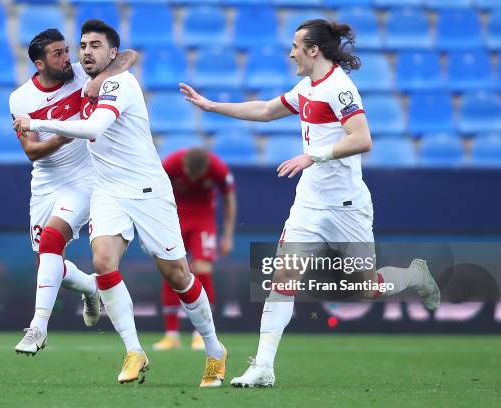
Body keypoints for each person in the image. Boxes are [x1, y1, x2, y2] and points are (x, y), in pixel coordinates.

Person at [179, 19, 440, 388]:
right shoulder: (307, 86)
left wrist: (313, 156)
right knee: (283, 276)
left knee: (364, 288)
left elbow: (362, 138)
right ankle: (263, 367)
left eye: (296, 47)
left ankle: (415, 275)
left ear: (313, 50)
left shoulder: (340, 89)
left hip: (347, 206)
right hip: (309, 204)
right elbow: (267, 110)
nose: (291, 53)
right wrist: (211, 106)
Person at [13, 20, 227, 388]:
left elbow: (94, 127)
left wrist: (39, 120)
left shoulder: (121, 84)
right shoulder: (82, 80)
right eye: (82, 46)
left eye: (95, 46)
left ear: (111, 53)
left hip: (147, 191)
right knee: (102, 262)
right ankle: (133, 350)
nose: (84, 52)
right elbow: (116, 59)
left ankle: (213, 349)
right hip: (106, 191)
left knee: (177, 274)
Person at [9, 28, 136, 356]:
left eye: (68, 50)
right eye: (58, 53)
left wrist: (97, 80)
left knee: (52, 240)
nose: (69, 58)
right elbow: (32, 152)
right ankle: (92, 287)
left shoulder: (82, 72)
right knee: (48, 262)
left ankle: (38, 327)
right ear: (40, 64)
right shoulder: (21, 99)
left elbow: (129, 56)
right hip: (45, 183)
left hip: (85, 178)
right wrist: (63, 135)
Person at [153, 148, 236, 351]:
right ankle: (171, 334)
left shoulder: (217, 167)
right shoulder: (171, 163)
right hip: (175, 216)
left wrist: (227, 235)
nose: (191, 178)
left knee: (203, 269)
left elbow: (229, 199)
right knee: (171, 270)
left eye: (196, 176)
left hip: (203, 218)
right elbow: (154, 191)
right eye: (189, 173)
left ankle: (201, 333)